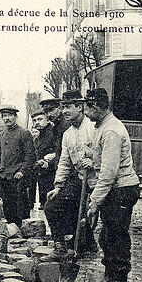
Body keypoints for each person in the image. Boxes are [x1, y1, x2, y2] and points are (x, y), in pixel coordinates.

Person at [83, 88, 140, 282]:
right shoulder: (103, 127)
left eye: (88, 109)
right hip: (114, 190)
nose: (86, 114)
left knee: (116, 238)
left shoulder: (111, 131)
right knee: (107, 236)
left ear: (96, 107)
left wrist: (95, 201)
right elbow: (102, 156)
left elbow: (108, 173)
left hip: (121, 190)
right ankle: (109, 281)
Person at [42, 90, 98, 262]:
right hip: (81, 179)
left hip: (99, 180)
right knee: (51, 206)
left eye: (68, 107)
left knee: (89, 215)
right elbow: (65, 163)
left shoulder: (93, 128)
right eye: (63, 107)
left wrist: (94, 161)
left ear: (80, 107)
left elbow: (107, 155)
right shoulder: (68, 134)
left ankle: (87, 244)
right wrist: (58, 186)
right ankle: (60, 247)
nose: (64, 111)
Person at [0, 107, 36, 226]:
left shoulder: (24, 133)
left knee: (20, 205)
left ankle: (23, 230)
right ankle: (11, 228)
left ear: (15, 117)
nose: (7, 118)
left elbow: (30, 155)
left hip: (18, 175)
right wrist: (0, 168)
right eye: (4, 116)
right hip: (5, 175)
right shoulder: (1, 135)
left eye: (9, 115)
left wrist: (22, 171)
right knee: (7, 204)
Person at [31, 108, 57, 209]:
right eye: (35, 120)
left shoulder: (53, 132)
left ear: (47, 118)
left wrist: (50, 163)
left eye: (40, 119)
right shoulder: (40, 135)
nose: (37, 122)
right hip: (42, 175)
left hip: (53, 174)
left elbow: (62, 152)